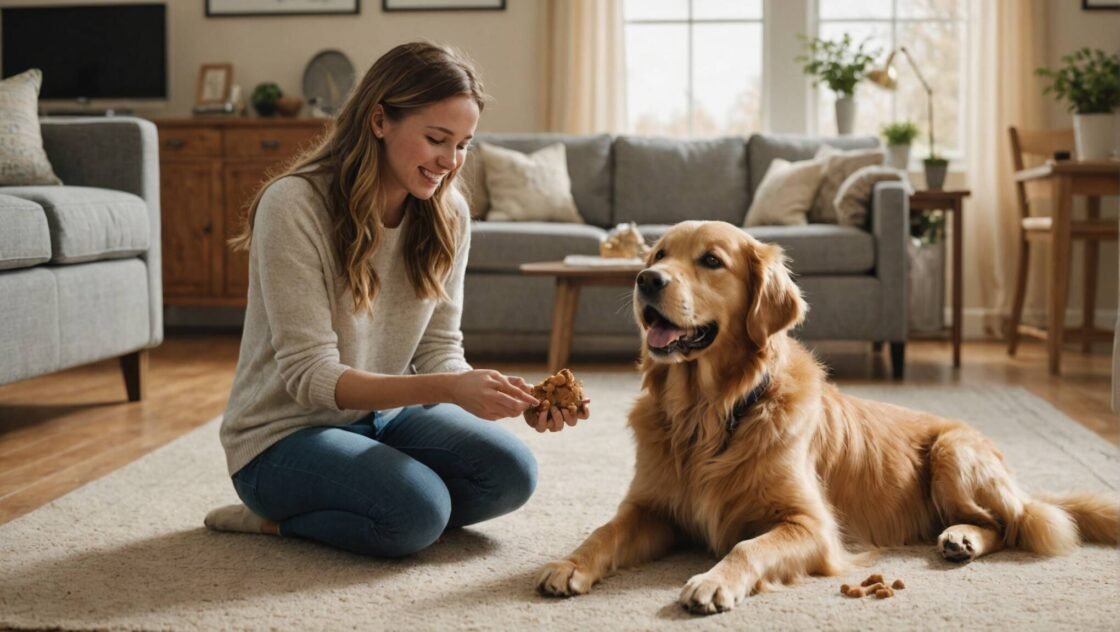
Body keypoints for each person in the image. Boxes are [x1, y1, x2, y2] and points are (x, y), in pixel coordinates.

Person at [204, 42, 590, 558]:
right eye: (436, 139)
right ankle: (270, 519)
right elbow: (310, 378)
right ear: (379, 120)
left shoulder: (449, 213)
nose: (450, 162)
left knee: (511, 474)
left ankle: (372, 490)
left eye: (463, 144)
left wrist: (503, 398)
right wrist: (451, 389)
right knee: (417, 514)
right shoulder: (294, 205)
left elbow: (438, 350)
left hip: (381, 418)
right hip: (282, 435)